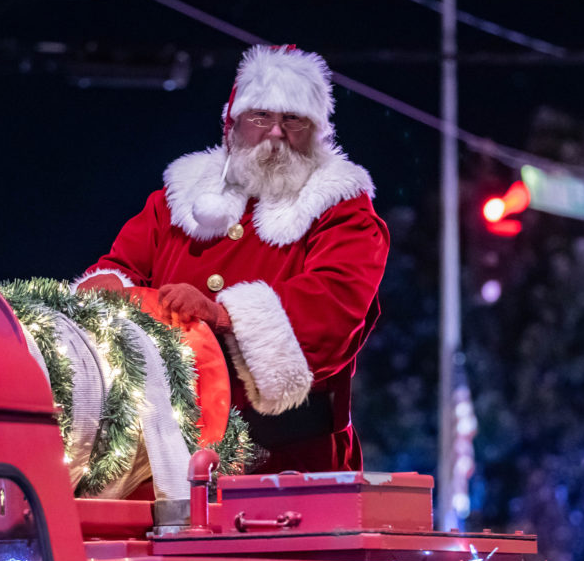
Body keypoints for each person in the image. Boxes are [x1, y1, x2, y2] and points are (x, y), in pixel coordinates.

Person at [74, 45, 389, 474]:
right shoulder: (176, 200)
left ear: (316, 131)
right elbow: (122, 266)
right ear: (232, 124)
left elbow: (331, 308)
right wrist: (109, 288)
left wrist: (222, 317)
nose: (276, 133)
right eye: (260, 116)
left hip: (287, 464)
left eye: (293, 119)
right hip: (166, 461)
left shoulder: (342, 209)